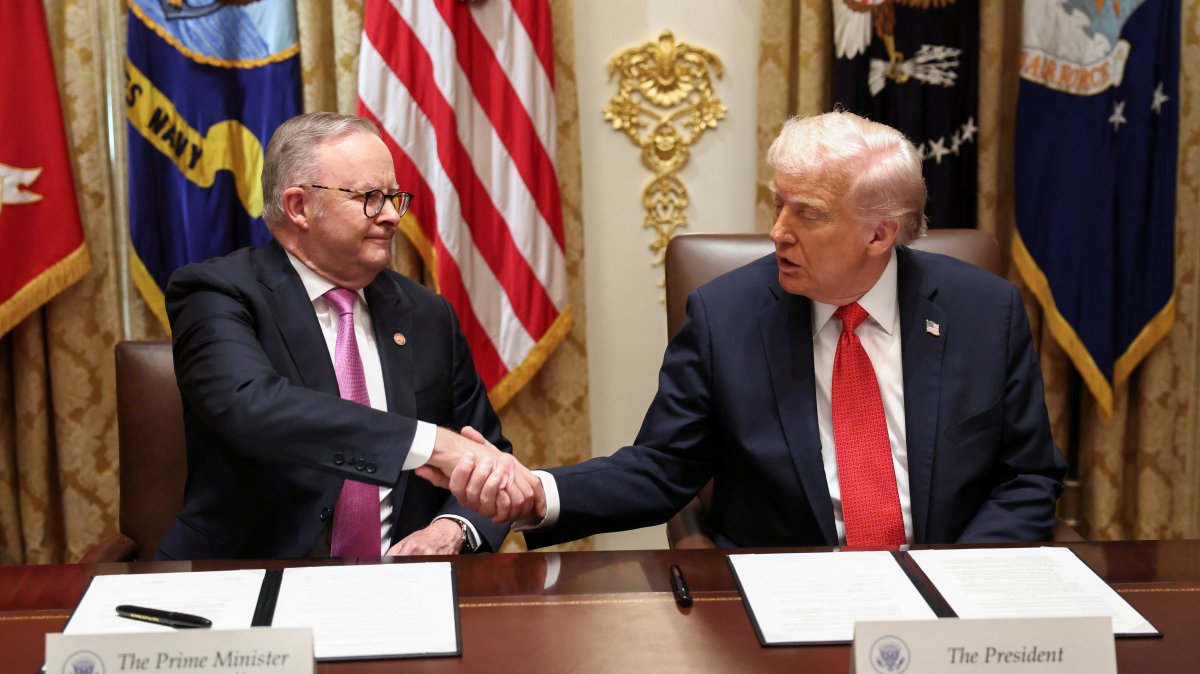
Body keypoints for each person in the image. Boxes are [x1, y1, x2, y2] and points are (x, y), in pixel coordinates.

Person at [454, 110, 1066, 548]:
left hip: (949, 595)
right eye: (779, 203)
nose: (777, 232)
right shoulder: (726, 317)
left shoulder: (985, 312)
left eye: (808, 214)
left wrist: (959, 581)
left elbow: (1027, 476)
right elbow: (662, 468)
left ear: (880, 234)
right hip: (786, 596)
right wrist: (537, 492)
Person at [157, 112, 541, 560]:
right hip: (248, 577)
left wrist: (451, 530)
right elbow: (250, 406)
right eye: (371, 198)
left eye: (395, 198)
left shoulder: (426, 313)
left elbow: (487, 456)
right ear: (299, 206)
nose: (392, 216)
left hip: (403, 584)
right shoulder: (217, 292)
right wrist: (429, 444)